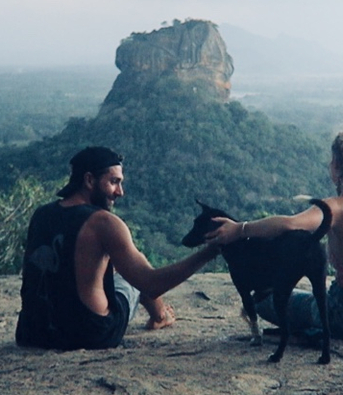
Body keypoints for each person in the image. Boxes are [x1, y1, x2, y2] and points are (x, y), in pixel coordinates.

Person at [205, 128, 343, 340]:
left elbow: (290, 225)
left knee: (263, 301)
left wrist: (239, 229)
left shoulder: (335, 209)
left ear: (337, 165)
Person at [16, 146, 220, 350]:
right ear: (89, 180)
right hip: (88, 335)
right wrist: (210, 252)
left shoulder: (41, 214)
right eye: (114, 182)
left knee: (112, 267)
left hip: (33, 333)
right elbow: (151, 284)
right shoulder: (104, 223)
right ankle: (160, 316)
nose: (120, 192)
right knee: (130, 279)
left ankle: (159, 315)